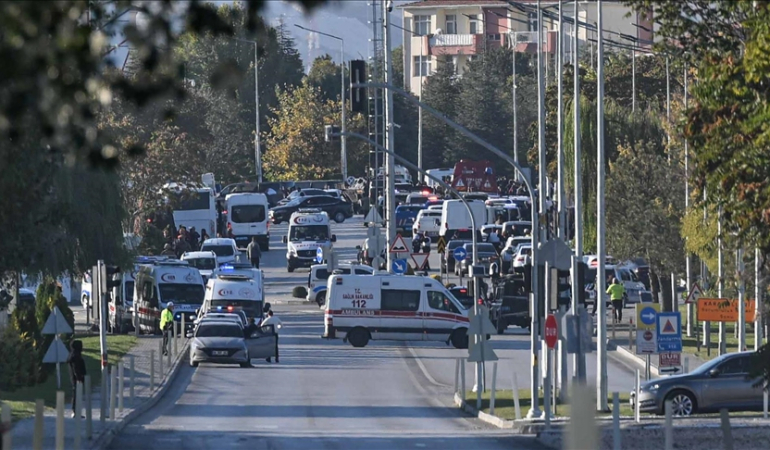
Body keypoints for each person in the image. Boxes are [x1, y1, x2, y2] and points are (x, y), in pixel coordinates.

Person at [67, 339, 87, 418]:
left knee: (77, 394)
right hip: (77, 378)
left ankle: (77, 411)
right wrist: (79, 377)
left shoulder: (74, 355)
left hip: (77, 378)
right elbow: (76, 368)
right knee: (76, 394)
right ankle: (75, 411)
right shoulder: (75, 356)